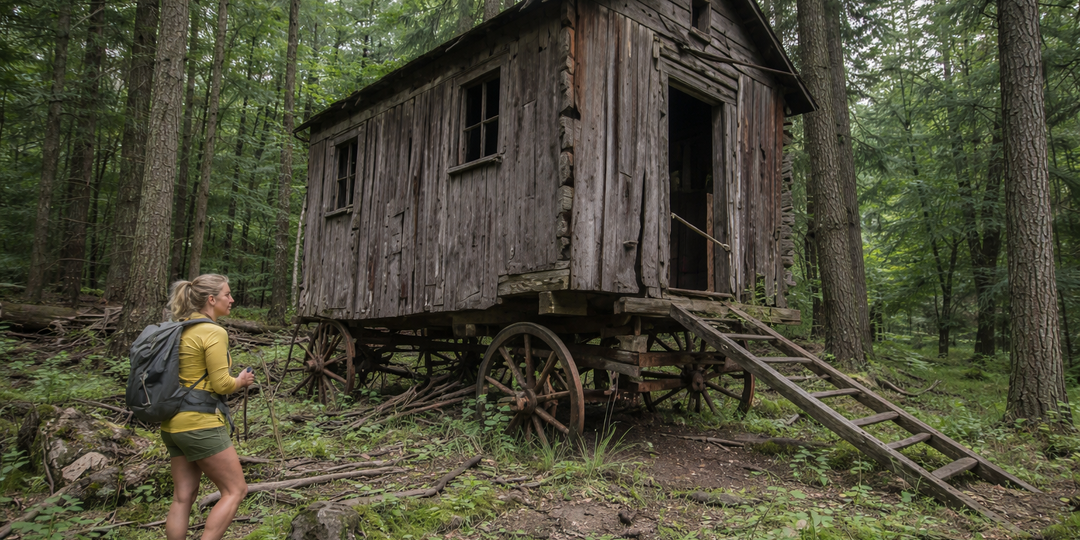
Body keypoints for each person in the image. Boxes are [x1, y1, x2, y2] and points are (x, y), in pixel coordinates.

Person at [161, 274, 255, 540]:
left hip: (172, 424)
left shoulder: (180, 328)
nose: (232, 299)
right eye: (227, 294)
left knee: (182, 497)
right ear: (211, 300)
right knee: (235, 490)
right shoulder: (213, 331)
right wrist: (241, 380)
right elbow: (221, 384)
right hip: (200, 423)